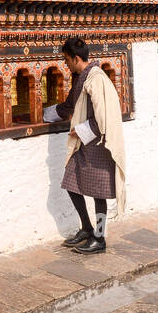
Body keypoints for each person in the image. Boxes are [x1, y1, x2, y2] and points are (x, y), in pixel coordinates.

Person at [43, 37, 126, 255]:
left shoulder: (96, 79)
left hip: (99, 143)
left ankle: (99, 239)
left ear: (76, 58)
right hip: (83, 145)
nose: (66, 64)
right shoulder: (82, 77)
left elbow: (103, 118)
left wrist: (80, 130)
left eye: (67, 60)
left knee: (99, 194)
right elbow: (69, 105)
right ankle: (87, 228)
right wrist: (44, 114)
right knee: (71, 183)